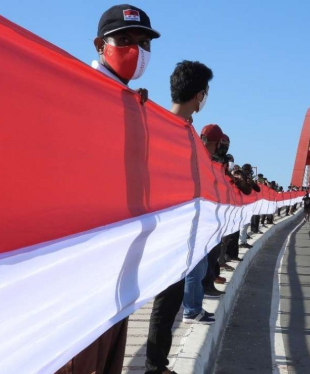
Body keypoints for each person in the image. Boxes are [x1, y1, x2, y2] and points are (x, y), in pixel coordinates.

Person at [55, 5, 160, 374]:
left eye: (144, 41)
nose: (136, 48)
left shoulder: (129, 98)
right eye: (125, 39)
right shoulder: (81, 88)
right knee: (82, 351)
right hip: (87, 246)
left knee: (110, 345)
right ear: (101, 44)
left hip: (120, 246)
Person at [142, 60, 213, 374]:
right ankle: (155, 366)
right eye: (205, 93)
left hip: (173, 227)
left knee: (169, 298)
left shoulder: (178, 129)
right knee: (166, 298)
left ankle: (157, 363)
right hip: (162, 228)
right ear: (199, 95)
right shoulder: (166, 127)